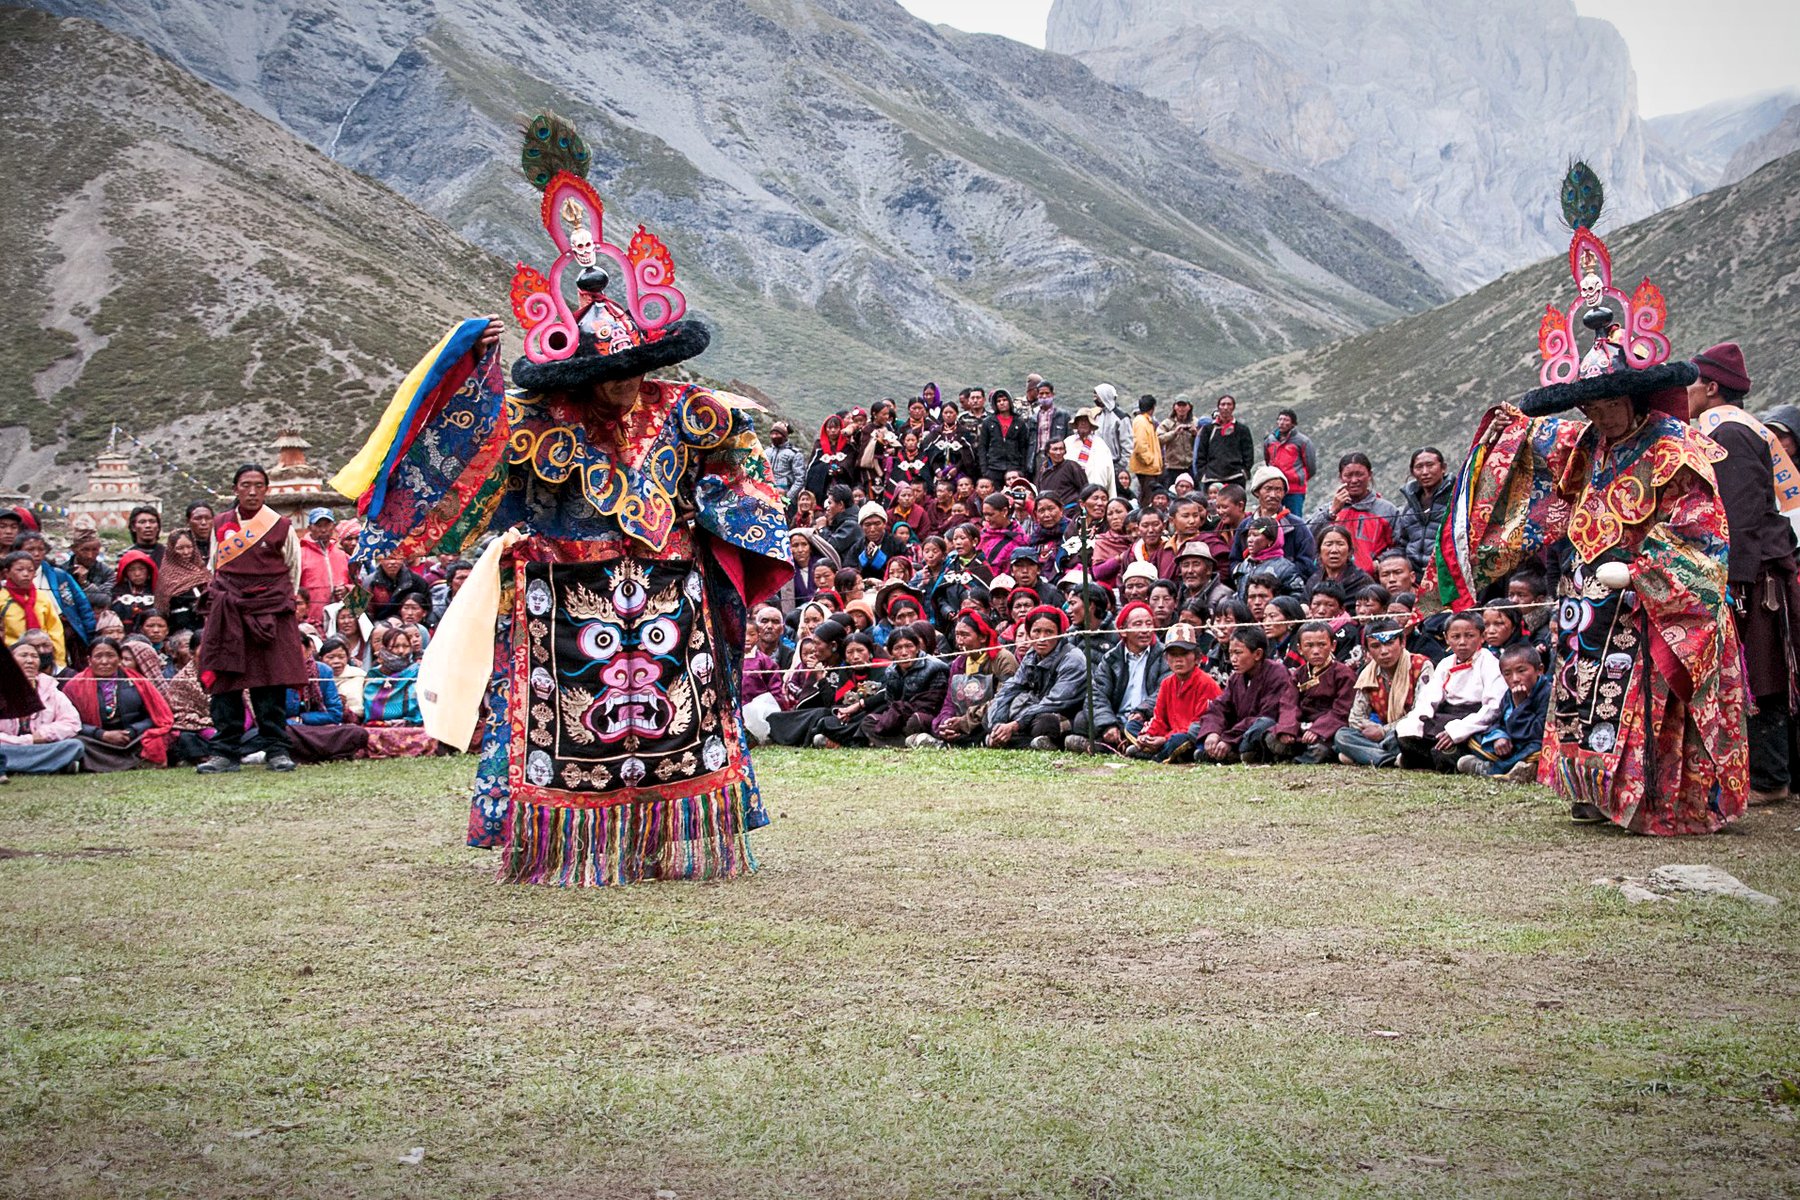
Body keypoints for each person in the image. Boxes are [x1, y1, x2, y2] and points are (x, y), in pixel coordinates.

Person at [336, 133, 790, 885]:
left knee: (671, 716)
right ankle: (570, 842)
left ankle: (662, 838)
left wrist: (715, 515)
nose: (621, 386)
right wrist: (467, 366)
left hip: (671, 586)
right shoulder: (536, 420)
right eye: (604, 374)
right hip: (564, 595)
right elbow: (471, 464)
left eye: (632, 370)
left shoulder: (690, 409)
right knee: (581, 723)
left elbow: (743, 465)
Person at [1439, 174, 1746, 833]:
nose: (1596, 412)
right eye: (1586, 403)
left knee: (1636, 696)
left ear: (1634, 396)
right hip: (1587, 596)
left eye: (1606, 401)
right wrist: (1502, 426)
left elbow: (1702, 530)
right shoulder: (1584, 441)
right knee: (1585, 695)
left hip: (1643, 597)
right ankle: (1590, 790)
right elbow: (1528, 441)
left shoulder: (1676, 447)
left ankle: (1649, 797)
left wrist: (1641, 570)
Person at [1686, 342, 1800, 806]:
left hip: (1753, 576)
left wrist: (1734, 579)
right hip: (1757, 568)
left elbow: (1740, 511)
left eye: (1693, 383)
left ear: (1712, 388)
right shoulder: (1738, 428)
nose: (1686, 391)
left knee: (1760, 671)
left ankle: (1769, 778)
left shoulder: (1729, 433)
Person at [191, 464, 308, 775]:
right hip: (229, 610)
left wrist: (272, 602)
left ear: (267, 490)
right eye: (246, 485)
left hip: (271, 611)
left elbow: (292, 571)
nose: (252, 491)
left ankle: (277, 750)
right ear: (235, 489)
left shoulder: (280, 525)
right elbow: (216, 566)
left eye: (258, 485)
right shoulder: (221, 524)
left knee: (271, 683)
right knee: (225, 682)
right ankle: (224, 753)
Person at [1393, 612, 1504, 773]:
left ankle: (1423, 760)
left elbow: (1492, 707)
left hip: (1472, 721)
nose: (1462, 642)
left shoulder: (1489, 663)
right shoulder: (1446, 663)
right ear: (1446, 638)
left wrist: (1457, 731)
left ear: (1482, 637)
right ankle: (1423, 757)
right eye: (1456, 636)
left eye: (1470, 636)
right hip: (1444, 717)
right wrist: (1418, 721)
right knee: (1405, 734)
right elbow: (1428, 698)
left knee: (1445, 754)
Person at [1066, 601, 1167, 753]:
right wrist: (1108, 724)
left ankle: (1101, 747)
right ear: (1123, 631)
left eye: (1149, 623)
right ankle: (1118, 743)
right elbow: (1096, 694)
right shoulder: (1111, 658)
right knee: (1082, 720)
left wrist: (1142, 711)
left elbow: (1164, 691)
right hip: (1118, 719)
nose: (1145, 630)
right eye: (1138, 624)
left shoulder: (1164, 655)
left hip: (1148, 717)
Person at [63, 637, 174, 772]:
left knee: (160, 737)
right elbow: (69, 721)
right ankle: (128, 763)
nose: (105, 662)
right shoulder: (74, 685)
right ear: (89, 660)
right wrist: (101, 734)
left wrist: (132, 731)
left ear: (120, 658)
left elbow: (156, 715)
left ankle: (107, 764)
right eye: (98, 656)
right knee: (76, 742)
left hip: (132, 737)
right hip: (96, 740)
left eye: (110, 656)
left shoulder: (138, 681)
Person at [1334, 620, 1433, 767]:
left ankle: (1367, 755)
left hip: (1407, 731)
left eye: (1390, 643)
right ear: (1367, 650)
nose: (1384, 651)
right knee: (1342, 735)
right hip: (1382, 735)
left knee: (1405, 735)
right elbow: (1355, 718)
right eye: (1376, 646)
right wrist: (1372, 729)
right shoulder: (1368, 673)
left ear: (1402, 642)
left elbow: (1421, 712)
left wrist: (1383, 731)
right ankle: (1388, 758)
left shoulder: (1421, 665)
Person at [1194, 625, 1300, 763]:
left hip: (1256, 730)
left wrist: (1228, 739)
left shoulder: (1277, 673)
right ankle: (1222, 750)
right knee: (1196, 728)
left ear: (1257, 654)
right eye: (1231, 653)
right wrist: (1212, 733)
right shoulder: (1236, 678)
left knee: (1263, 724)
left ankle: (1232, 752)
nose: (1233, 659)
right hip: (1238, 731)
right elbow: (1219, 707)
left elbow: (1268, 714)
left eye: (1238, 653)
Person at [986, 606, 1087, 750]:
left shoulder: (1073, 659)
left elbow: (1054, 702)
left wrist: (1015, 725)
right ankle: (1008, 739)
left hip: (1061, 712)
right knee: (992, 711)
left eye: (1049, 632)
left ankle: (1013, 741)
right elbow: (1012, 687)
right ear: (1029, 633)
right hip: (1033, 708)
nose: (1042, 638)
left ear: (1059, 634)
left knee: (1045, 723)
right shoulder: (1032, 654)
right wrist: (997, 724)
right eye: (1037, 631)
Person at [1122, 621, 1222, 762]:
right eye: (1173, 655)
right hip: (1168, 733)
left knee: (1182, 738)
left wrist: (1164, 739)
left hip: (1188, 736)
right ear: (1166, 659)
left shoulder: (1206, 683)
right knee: (1131, 725)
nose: (1178, 660)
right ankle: (1153, 749)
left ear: (1197, 658)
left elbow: (1199, 723)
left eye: (1184, 654)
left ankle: (1155, 755)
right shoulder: (1167, 683)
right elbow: (1159, 718)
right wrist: (1149, 735)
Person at [1459, 643, 1549, 780]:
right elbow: (1498, 721)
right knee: (1474, 738)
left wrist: (1521, 705)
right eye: (1507, 674)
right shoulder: (1509, 694)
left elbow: (1538, 732)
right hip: (1510, 746)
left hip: (1531, 745)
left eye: (1521, 671)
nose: (1515, 679)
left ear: (1540, 670)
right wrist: (1499, 737)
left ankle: (1493, 770)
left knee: (1539, 750)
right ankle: (1515, 768)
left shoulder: (1547, 694)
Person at [0, 641, 84, 776]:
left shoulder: (51, 689)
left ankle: (12, 768)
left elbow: (72, 723)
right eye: (24, 655)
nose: (30, 661)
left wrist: (44, 734)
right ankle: (50, 766)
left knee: (74, 746)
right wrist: (27, 741)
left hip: (41, 746)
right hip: (8, 747)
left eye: (34, 656)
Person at [860, 622, 949, 747]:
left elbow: (933, 703)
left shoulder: (935, 667)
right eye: (898, 648)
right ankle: (908, 743)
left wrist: (899, 711)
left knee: (916, 720)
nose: (904, 652)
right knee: (868, 722)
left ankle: (900, 741)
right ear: (890, 652)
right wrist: (894, 715)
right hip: (899, 717)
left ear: (918, 647)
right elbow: (890, 702)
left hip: (926, 716)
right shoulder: (891, 671)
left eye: (909, 646)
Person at [1279, 622, 1356, 764]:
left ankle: (1297, 758)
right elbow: (1288, 703)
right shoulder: (1298, 674)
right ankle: (1295, 752)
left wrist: (1318, 730)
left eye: (1322, 645)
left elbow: (1342, 710)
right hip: (1303, 728)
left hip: (1328, 729)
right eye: (1309, 646)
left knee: (1321, 750)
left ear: (1333, 646)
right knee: (1270, 736)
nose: (1316, 651)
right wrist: (1287, 728)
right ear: (1300, 649)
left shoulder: (1344, 674)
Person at [1309, 454, 1400, 572]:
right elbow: (1307, 538)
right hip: (1331, 579)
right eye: (1348, 475)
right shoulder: (1328, 509)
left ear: (1370, 475)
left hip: (1372, 581)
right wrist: (1331, 512)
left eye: (1359, 474)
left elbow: (1400, 545)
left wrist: (1379, 562)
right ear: (1340, 478)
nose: (1354, 480)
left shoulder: (1387, 510)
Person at [2, 550, 67, 668]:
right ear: (7, 573)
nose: (26, 574)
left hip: (42, 655)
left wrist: (59, 662)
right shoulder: (2, 598)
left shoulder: (42, 597)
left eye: (30, 570)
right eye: (19, 570)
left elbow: (55, 631)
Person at [1394, 448, 1454, 574]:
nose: (1425, 472)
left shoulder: (1456, 499)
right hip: (1414, 573)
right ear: (1412, 472)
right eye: (1419, 467)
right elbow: (1402, 542)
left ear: (1443, 468)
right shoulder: (1410, 506)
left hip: (1446, 570)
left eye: (1430, 465)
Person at [298, 508, 351, 625]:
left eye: (327, 525)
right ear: (310, 528)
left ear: (333, 527)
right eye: (318, 525)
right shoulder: (299, 555)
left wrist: (347, 589)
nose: (323, 530)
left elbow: (360, 588)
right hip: (312, 623)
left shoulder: (343, 556)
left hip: (341, 624)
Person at [1262, 409, 1317, 517]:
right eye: (1280, 419)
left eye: (1286, 420)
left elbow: (1311, 467)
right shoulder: (1270, 440)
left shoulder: (1303, 441)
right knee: (1272, 517)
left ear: (1293, 423)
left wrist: (1298, 477)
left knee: (1294, 517)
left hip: (1294, 488)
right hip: (1275, 487)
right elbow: (1268, 460)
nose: (1282, 422)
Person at [1192, 394, 1254, 487]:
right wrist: (1203, 473)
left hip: (1235, 476)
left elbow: (1248, 453)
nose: (1226, 407)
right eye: (1223, 404)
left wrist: (1244, 471)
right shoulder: (1208, 429)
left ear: (1233, 407)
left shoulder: (1242, 429)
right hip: (1212, 477)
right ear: (1218, 407)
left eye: (1229, 404)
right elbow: (1201, 453)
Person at [157, 529, 211, 635]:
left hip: (206, 629)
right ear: (172, 550)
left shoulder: (204, 572)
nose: (186, 552)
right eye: (180, 548)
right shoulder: (167, 575)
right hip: (180, 630)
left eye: (189, 547)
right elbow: (162, 608)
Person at [979, 390, 1031, 485]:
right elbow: (982, 446)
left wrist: (1022, 470)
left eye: (1004, 400)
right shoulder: (988, 422)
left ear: (1010, 402)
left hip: (1014, 467)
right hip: (993, 467)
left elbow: (1023, 447)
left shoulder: (1019, 422)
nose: (1002, 403)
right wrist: (985, 470)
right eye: (998, 401)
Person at [109, 549, 160, 636]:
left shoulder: (157, 591)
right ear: (125, 572)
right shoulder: (116, 592)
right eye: (131, 570)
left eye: (141, 569)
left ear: (149, 571)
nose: (137, 573)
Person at [1129, 394, 1163, 501]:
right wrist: (1149, 460)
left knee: (1148, 495)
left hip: (1150, 468)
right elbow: (1140, 444)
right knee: (1147, 498)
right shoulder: (1141, 421)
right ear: (1153, 407)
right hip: (1146, 468)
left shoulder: (1147, 421)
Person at [766, 420, 806, 507]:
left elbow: (800, 479)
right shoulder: (766, 452)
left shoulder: (795, 454)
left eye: (777, 434)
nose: (774, 436)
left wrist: (788, 497)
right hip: (766, 494)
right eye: (772, 434)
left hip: (785, 494)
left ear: (784, 436)